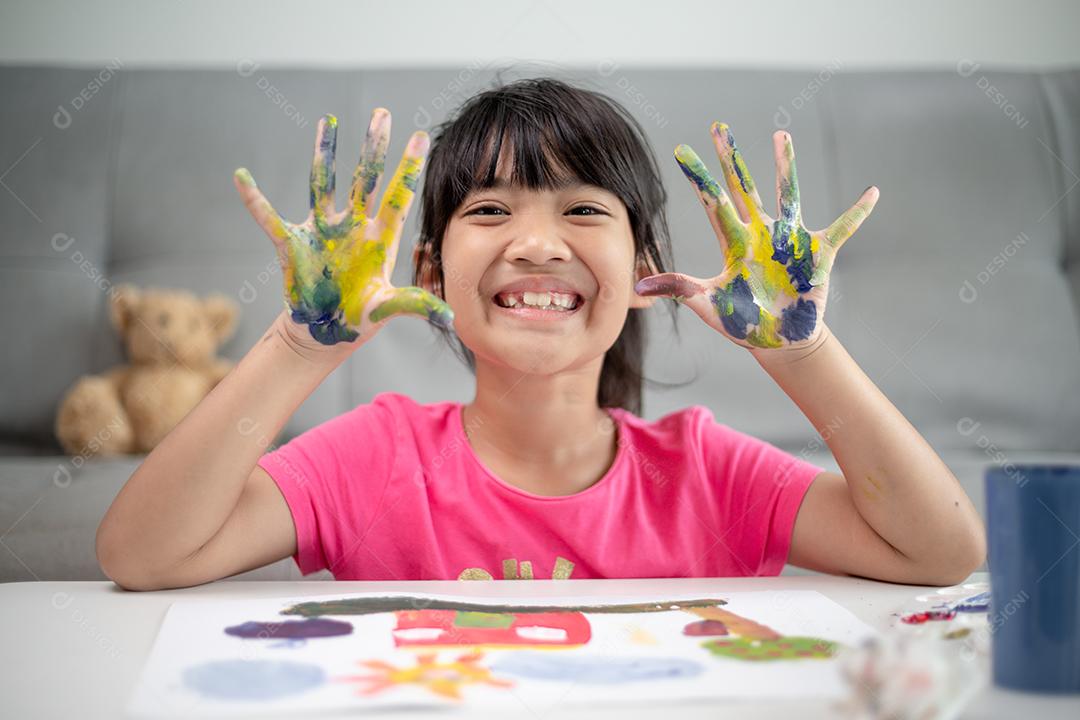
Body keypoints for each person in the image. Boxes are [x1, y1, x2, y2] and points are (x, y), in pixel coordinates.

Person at [96, 77, 985, 590]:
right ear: (432, 271)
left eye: (582, 209)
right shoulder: (377, 457)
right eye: (489, 209)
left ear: (645, 269)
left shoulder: (704, 476)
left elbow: (941, 552)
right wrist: (302, 344)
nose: (533, 243)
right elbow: (141, 554)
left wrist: (802, 352)